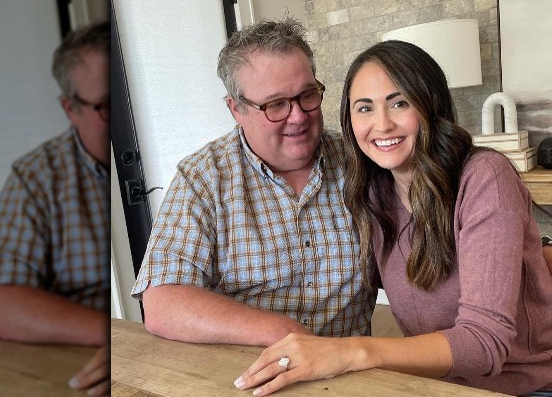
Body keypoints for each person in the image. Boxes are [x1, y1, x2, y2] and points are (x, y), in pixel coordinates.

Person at [235, 40, 552, 396]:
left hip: (529, 387)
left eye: (399, 103)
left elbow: (483, 344)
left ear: (429, 105)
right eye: (365, 108)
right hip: (431, 386)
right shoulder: (374, 193)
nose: (382, 124)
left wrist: (352, 351)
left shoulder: (484, 176)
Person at [130, 18, 375, 346]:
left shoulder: (360, 162)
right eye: (275, 104)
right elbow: (162, 303)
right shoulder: (203, 178)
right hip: (251, 374)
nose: (299, 116)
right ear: (236, 109)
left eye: (307, 95)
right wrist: (283, 334)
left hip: (352, 370)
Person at [0, 21, 111, 395]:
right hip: (88, 364)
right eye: (106, 106)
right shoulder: (37, 177)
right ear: (70, 108)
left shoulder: (163, 162)